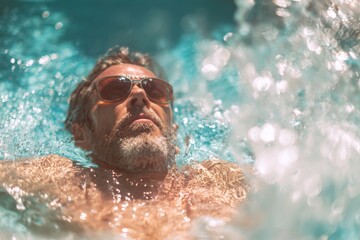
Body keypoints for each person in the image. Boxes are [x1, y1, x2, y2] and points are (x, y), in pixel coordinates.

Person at [0, 47, 249, 239]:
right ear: (82, 134)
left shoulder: (222, 182)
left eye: (156, 91)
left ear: (174, 132)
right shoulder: (56, 179)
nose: (140, 95)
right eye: (114, 89)